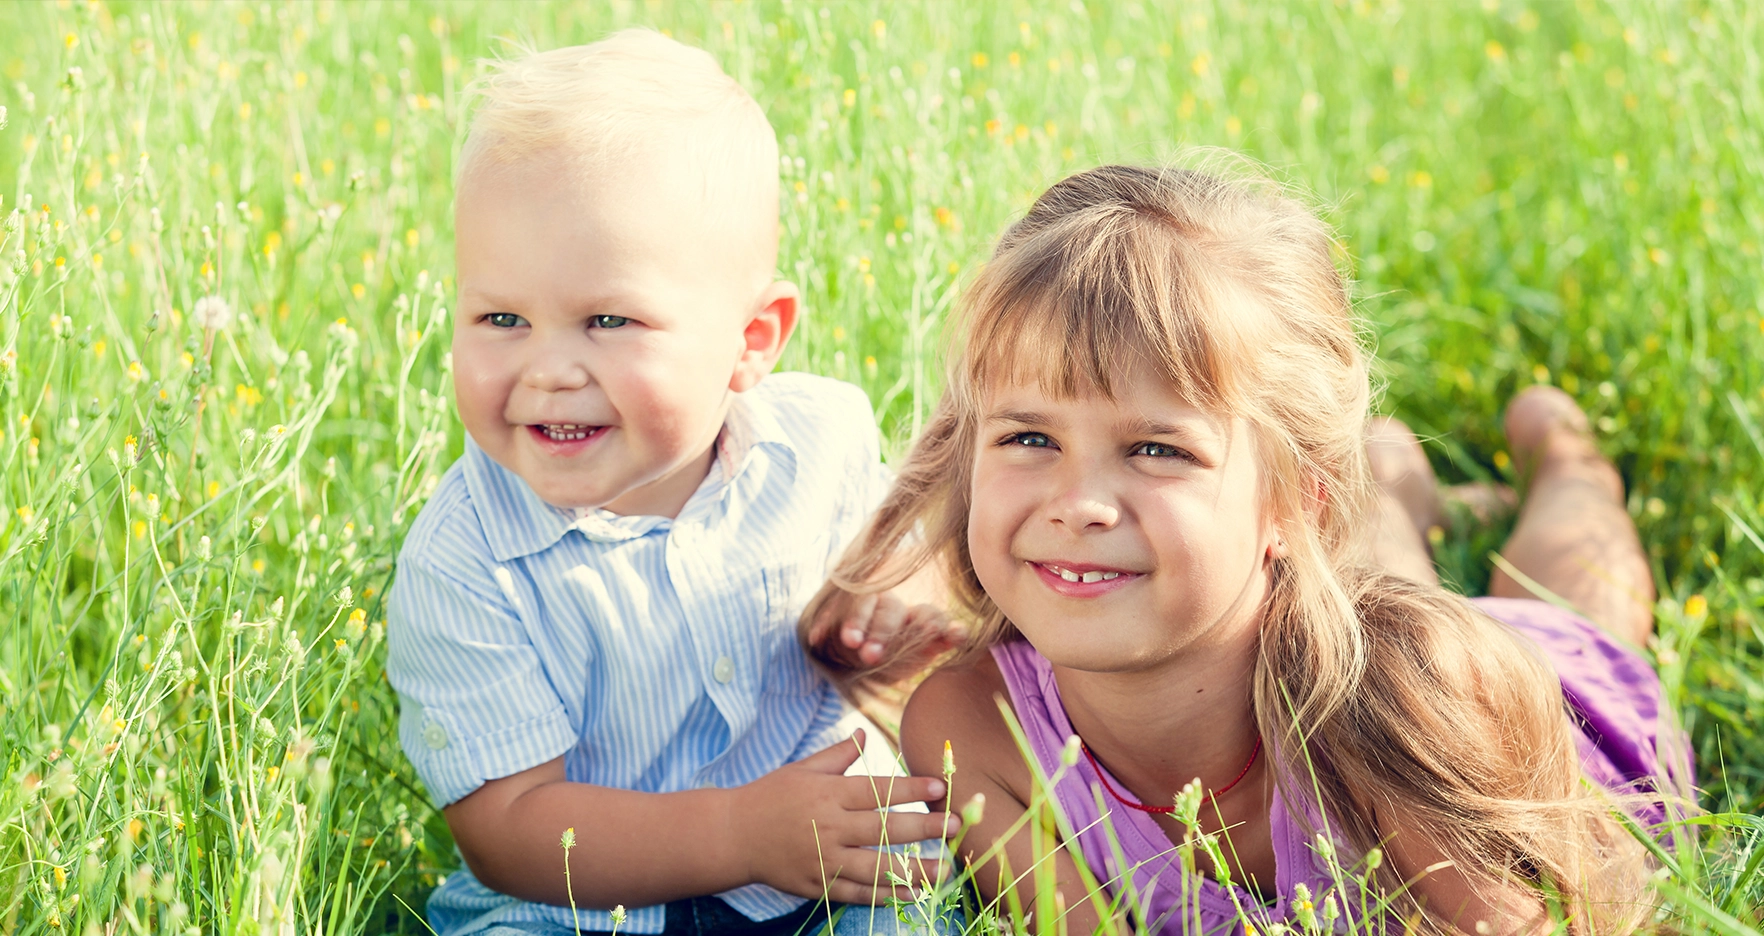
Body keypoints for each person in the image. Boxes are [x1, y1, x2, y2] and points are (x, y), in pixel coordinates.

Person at [809, 162, 1692, 935]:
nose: (1077, 504)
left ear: (1295, 498)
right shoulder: (975, 731)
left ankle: (1565, 456)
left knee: (1569, 602)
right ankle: (1401, 481)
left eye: (1157, 449)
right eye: (1029, 438)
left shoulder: (1400, 708)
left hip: (1533, 697)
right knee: (1382, 574)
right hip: (1334, 603)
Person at [386, 31, 962, 936]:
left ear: (752, 340)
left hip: (823, 871)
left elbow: (917, 577)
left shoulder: (818, 444)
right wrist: (739, 831)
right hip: (575, 912)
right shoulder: (464, 562)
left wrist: (899, 600)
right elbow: (509, 831)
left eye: (608, 320)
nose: (548, 369)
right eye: (502, 317)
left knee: (915, 907)